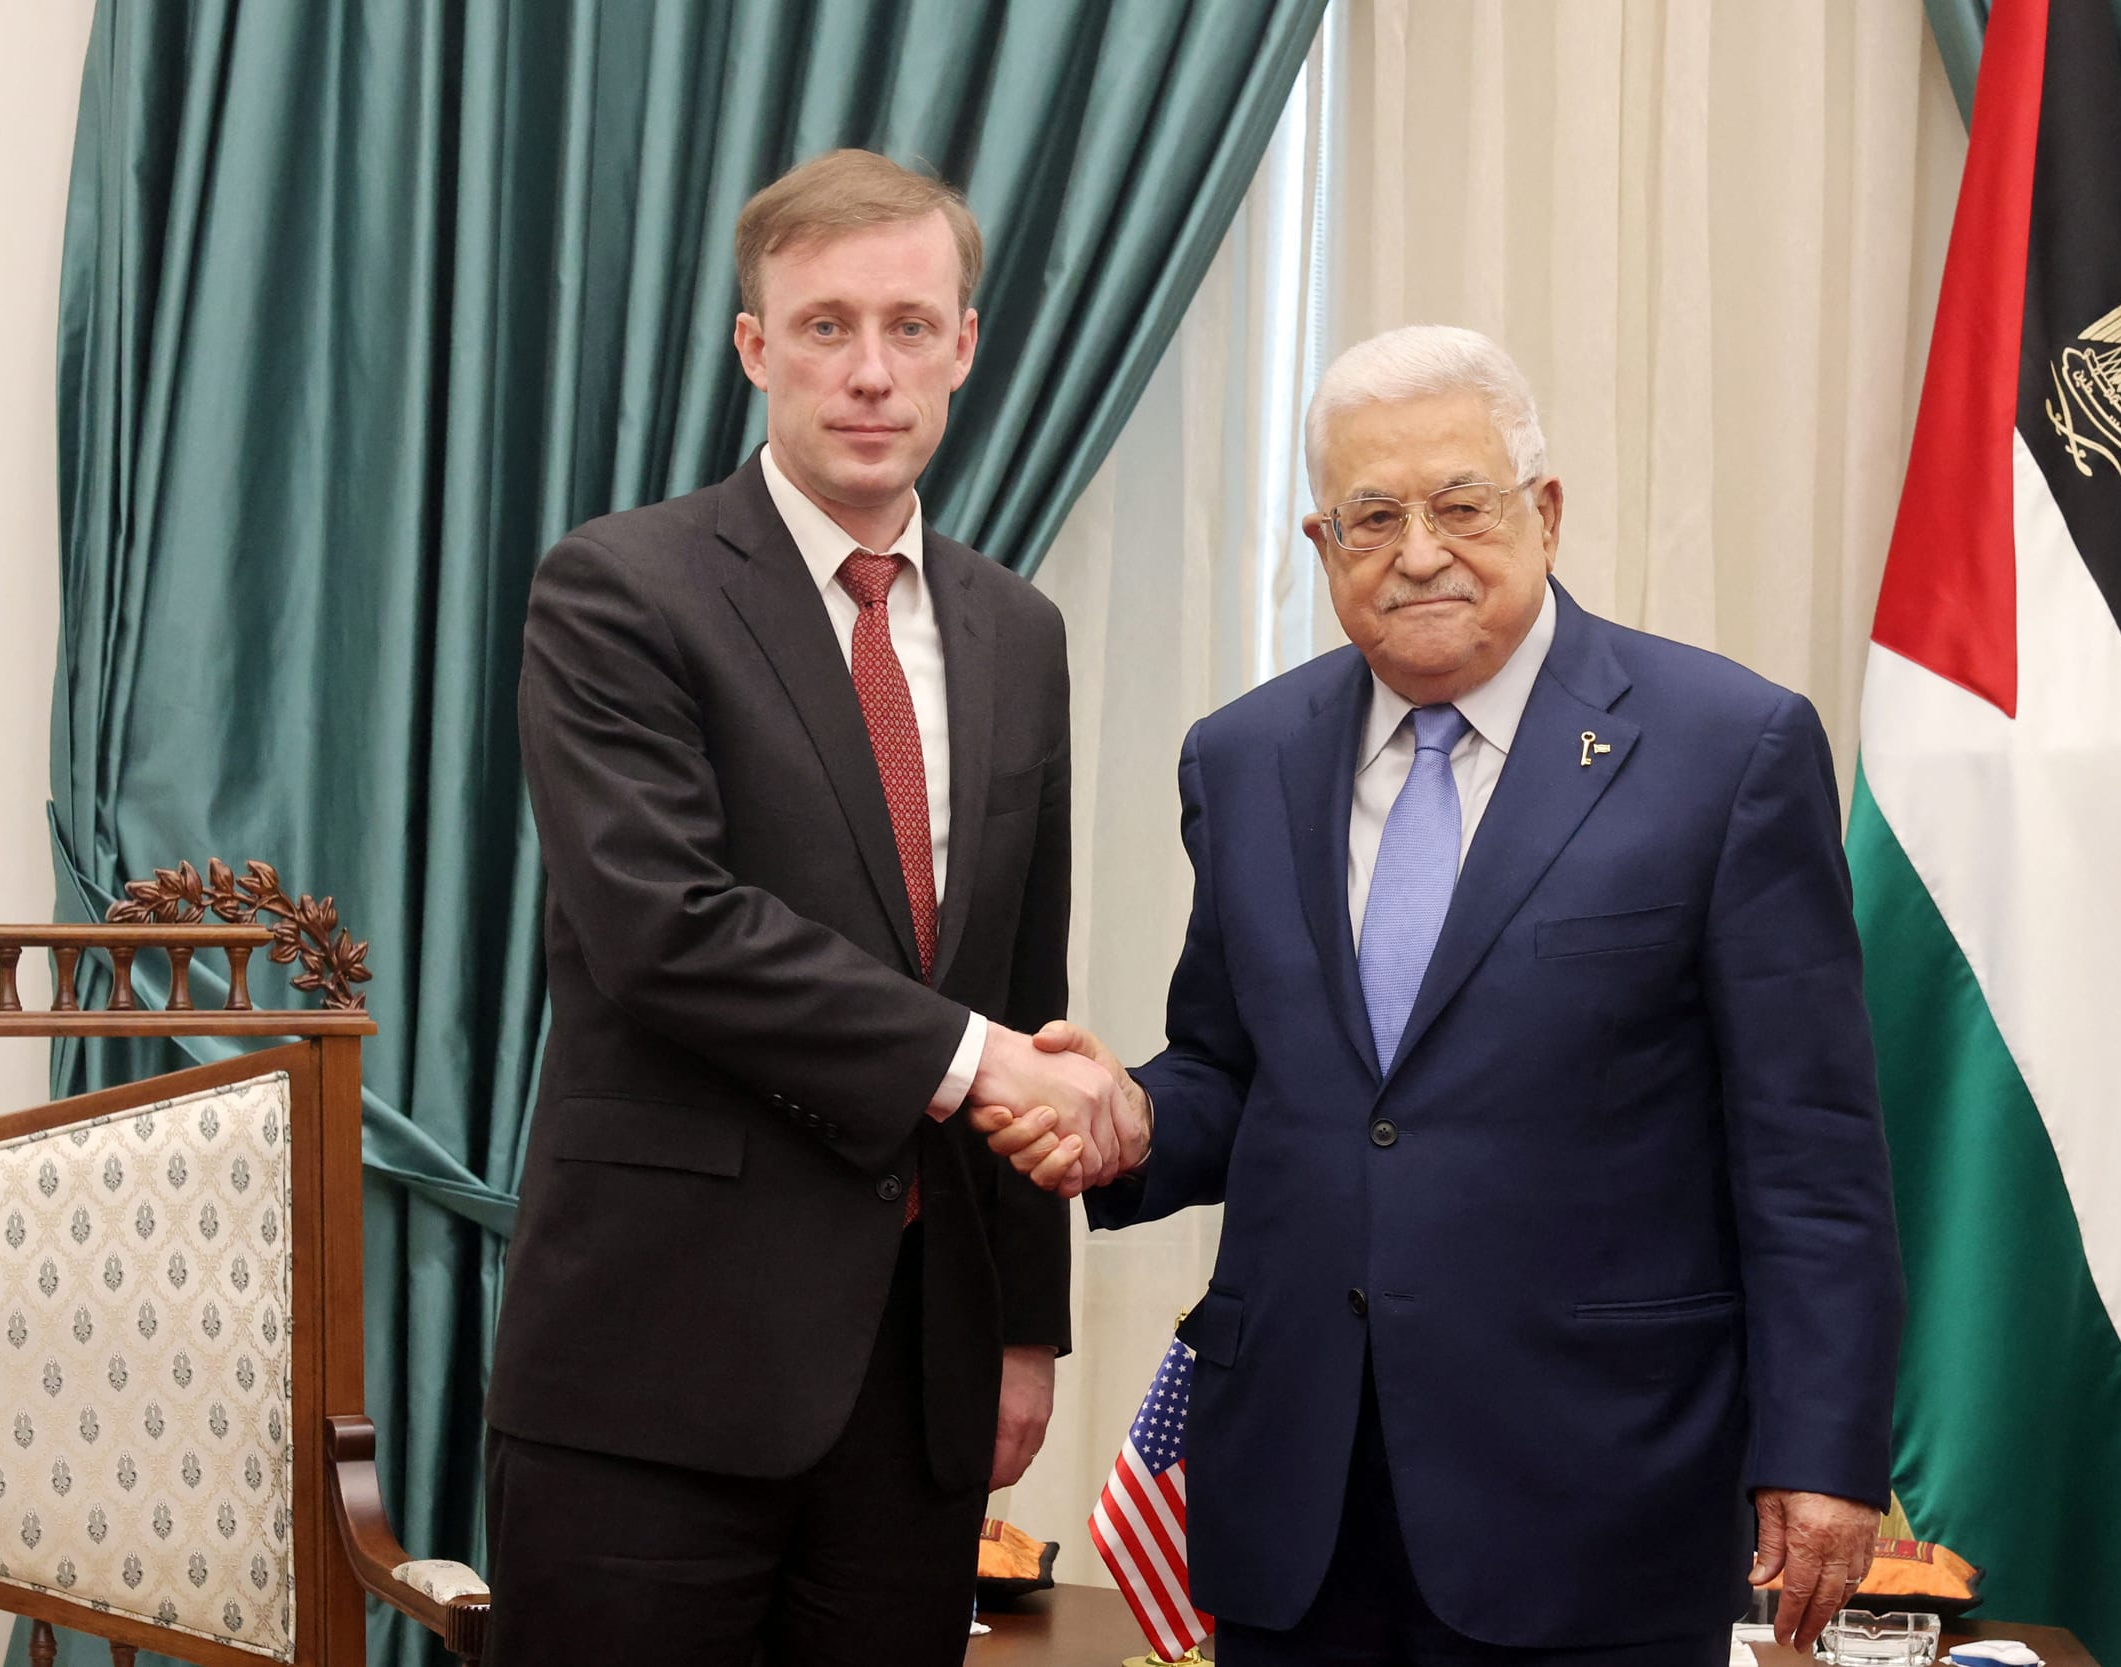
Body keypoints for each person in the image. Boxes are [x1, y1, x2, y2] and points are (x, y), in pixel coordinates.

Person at [980, 326, 1905, 1666]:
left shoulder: (1727, 750)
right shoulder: (1242, 759)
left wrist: (1821, 1452)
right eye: (1372, 516)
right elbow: (1239, 1073)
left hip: (1598, 1494)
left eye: (1460, 504)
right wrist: (1126, 1115)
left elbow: (1810, 1148)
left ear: (1545, 511)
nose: (1419, 550)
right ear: (1321, 544)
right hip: (1300, 1499)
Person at [483, 149, 1128, 1667]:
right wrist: (986, 1065)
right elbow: (666, 928)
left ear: (966, 348)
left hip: (918, 1379)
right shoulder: (620, 590)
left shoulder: (1015, 630)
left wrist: (1026, 1326)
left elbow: (1023, 973)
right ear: (755, 345)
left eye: (911, 327)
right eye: (825, 326)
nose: (870, 372)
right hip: (652, 1373)